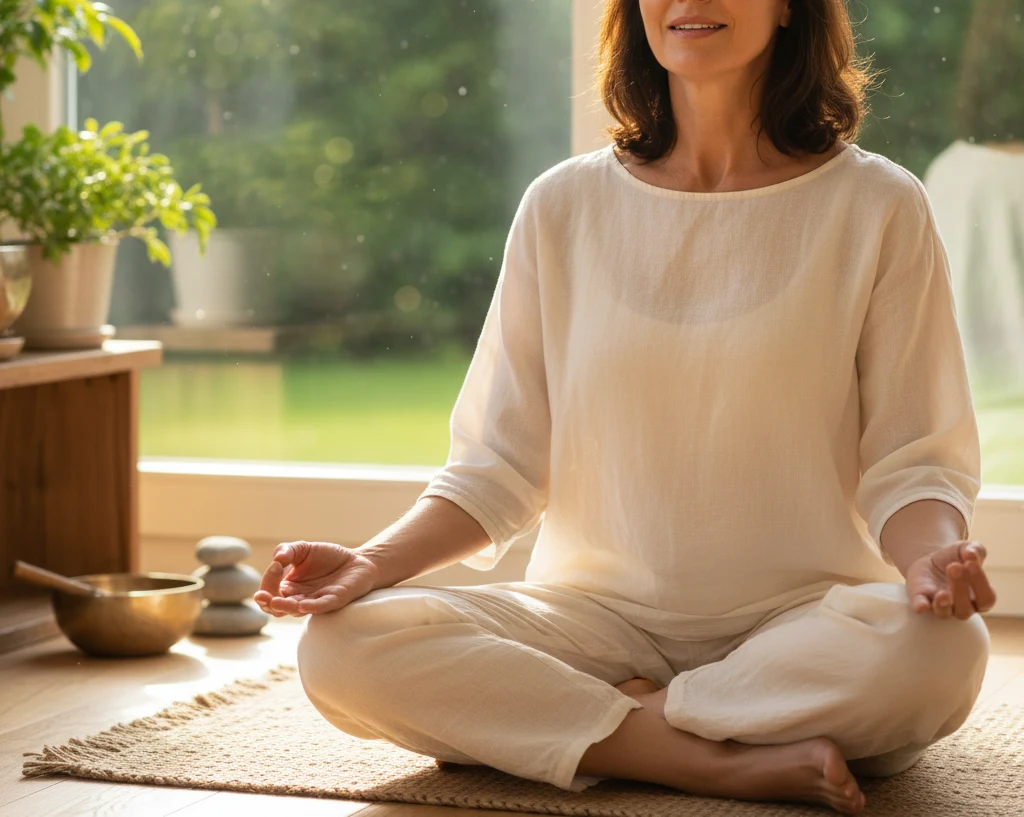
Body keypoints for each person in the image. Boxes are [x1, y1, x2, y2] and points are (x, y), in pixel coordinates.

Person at [254, 1, 997, 813]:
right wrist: (371, 563)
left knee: (941, 653)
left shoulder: (878, 205)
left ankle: (606, 724)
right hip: (592, 621)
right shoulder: (561, 206)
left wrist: (930, 562)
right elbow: (495, 468)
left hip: (804, 621)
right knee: (342, 648)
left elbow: (914, 460)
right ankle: (705, 755)